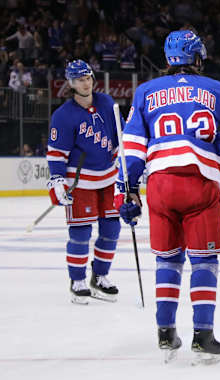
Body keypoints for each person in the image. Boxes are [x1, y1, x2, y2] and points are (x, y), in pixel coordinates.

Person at [114, 30, 220, 363]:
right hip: (199, 184)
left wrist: (128, 191)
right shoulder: (217, 89)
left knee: (168, 259)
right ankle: (203, 335)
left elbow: (132, 148)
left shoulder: (145, 91)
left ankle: (166, 332)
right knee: (204, 261)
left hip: (160, 186)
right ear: (197, 57)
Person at [46, 59, 122, 305]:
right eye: (80, 79)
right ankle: (77, 279)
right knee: (80, 232)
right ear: (71, 83)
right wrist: (57, 180)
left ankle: (100, 276)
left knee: (112, 229)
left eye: (88, 77)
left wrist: (125, 165)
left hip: (109, 177)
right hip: (80, 182)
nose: (86, 83)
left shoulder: (107, 103)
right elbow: (56, 153)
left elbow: (118, 138)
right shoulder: (63, 116)